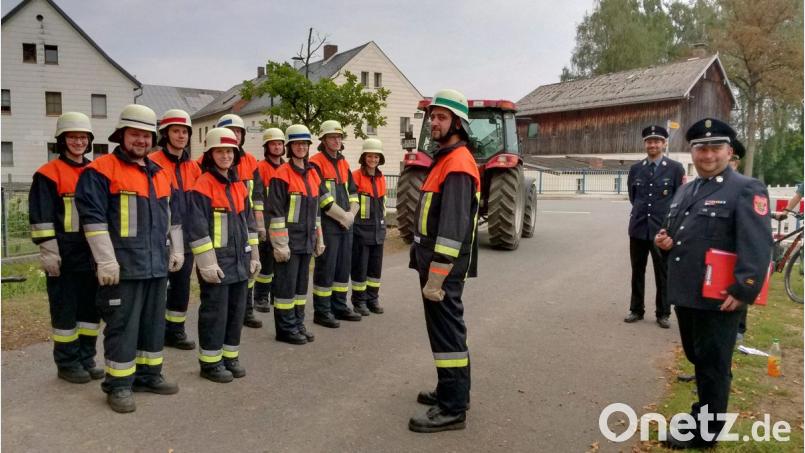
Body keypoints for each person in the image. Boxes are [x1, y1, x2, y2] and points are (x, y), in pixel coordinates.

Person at [655, 118, 772, 449]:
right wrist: (666, 242)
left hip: (719, 298)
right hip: (687, 293)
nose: (707, 154)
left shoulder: (745, 188)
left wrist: (744, 288)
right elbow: (677, 235)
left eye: (714, 147)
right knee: (698, 359)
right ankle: (701, 416)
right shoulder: (687, 189)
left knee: (713, 366)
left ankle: (706, 432)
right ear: (691, 152)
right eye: (700, 148)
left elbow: (758, 245)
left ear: (728, 151)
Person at [75, 104, 183, 413]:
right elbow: (93, 221)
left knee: (152, 325)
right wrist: (106, 261)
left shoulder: (159, 173)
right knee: (122, 327)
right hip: (121, 269)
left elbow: (171, 216)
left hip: (155, 266)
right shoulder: (100, 171)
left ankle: (149, 374)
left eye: (147, 135)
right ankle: (118, 384)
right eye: (135, 134)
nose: (141, 141)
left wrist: (176, 249)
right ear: (122, 135)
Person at [408, 89, 479, 433]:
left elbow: (451, 228)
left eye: (441, 117)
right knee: (443, 332)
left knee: (449, 333)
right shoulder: (445, 158)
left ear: (457, 124)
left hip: (442, 270)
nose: (433, 122)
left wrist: (436, 277)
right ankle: (450, 391)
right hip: (434, 267)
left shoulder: (459, 164)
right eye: (432, 116)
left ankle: (452, 409)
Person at [28, 112, 103, 383]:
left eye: (83, 137)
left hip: (92, 255)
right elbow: (42, 218)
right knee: (65, 311)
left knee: (90, 311)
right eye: (73, 137)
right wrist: (49, 252)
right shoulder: (48, 174)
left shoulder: (95, 172)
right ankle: (67, 363)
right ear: (62, 140)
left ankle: (87, 358)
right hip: (63, 256)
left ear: (90, 140)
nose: (78, 142)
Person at [187, 128, 260, 382]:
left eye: (229, 151)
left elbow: (249, 224)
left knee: (236, 312)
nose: (225, 156)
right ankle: (210, 363)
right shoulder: (202, 186)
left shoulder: (239, 185)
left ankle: (230, 356)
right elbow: (197, 229)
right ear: (210, 154)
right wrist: (207, 264)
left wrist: (255, 255)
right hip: (217, 264)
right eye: (220, 151)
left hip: (240, 261)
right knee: (214, 314)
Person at [267, 124, 326, 344]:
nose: (300, 147)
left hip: (307, 240)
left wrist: (319, 236)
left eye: (304, 144)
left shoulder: (313, 173)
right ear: (289, 147)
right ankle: (285, 329)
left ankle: (298, 323)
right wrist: (280, 244)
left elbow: (316, 211)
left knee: (301, 287)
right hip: (289, 242)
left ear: (309, 146)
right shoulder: (281, 175)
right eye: (296, 144)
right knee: (285, 288)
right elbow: (276, 213)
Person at [150, 109, 201, 350]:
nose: (181, 136)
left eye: (184, 132)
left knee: (181, 288)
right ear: (165, 134)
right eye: (176, 131)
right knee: (159, 288)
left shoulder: (193, 168)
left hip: (187, 239)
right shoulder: (152, 164)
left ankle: (176, 331)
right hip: (160, 240)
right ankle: (154, 331)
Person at [624, 125, 685, 329]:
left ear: (664, 143)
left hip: (662, 230)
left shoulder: (675, 169)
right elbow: (634, 197)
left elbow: (679, 199)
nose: (653, 144)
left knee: (663, 272)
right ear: (645, 144)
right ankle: (636, 309)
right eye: (650, 141)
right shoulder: (636, 169)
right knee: (637, 271)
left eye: (657, 141)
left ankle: (663, 313)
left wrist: (670, 226)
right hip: (639, 228)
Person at [309, 120, 362, 328]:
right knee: (326, 267)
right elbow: (322, 197)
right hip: (329, 223)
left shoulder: (344, 163)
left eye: (339, 137)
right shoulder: (315, 163)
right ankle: (322, 311)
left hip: (345, 222)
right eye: (332, 137)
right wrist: (344, 217)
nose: (337, 140)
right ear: (323, 139)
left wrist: (351, 215)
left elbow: (354, 193)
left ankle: (339, 306)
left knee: (343, 267)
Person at [216, 114, 265, 329]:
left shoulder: (251, 161)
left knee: (249, 266)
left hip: (246, 221)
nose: (235, 135)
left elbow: (258, 196)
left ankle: (246, 310)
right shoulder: (208, 160)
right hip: (222, 222)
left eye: (238, 132)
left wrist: (259, 224)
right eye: (231, 131)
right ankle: (229, 313)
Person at [350, 138, 388, 315]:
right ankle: (359, 301)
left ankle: (373, 298)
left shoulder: (381, 178)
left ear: (380, 159)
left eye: (376, 156)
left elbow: (383, 205)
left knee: (375, 268)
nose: (373, 159)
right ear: (364, 157)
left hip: (377, 230)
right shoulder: (355, 176)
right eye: (370, 156)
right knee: (360, 267)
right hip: (360, 230)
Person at [253, 128, 286, 313]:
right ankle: (261, 297)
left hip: (282, 223)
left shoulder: (286, 167)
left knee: (281, 261)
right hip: (266, 221)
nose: (277, 146)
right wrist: (260, 225)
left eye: (280, 143)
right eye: (273, 143)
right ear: (267, 147)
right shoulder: (260, 168)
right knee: (266, 263)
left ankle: (276, 293)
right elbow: (258, 197)